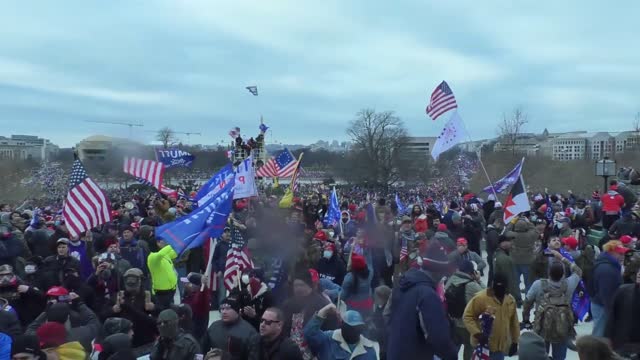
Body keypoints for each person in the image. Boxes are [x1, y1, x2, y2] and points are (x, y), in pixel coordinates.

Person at [386, 244, 458, 360]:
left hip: (395, 351)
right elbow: (437, 337)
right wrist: (452, 355)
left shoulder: (401, 285)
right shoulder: (427, 295)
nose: (444, 277)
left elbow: (387, 315)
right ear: (437, 272)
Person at [522, 258, 582, 360]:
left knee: (541, 356)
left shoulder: (538, 284)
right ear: (563, 274)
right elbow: (578, 271)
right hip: (562, 328)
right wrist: (563, 258)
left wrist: (526, 320)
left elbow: (527, 303)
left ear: (548, 273)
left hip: (541, 327)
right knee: (559, 357)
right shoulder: (569, 284)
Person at [463, 272, 520, 360]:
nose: (500, 289)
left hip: (500, 349)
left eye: (502, 287)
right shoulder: (480, 298)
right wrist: (477, 334)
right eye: (497, 286)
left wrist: (515, 341)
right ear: (493, 284)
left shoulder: (510, 300)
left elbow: (514, 322)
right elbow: (468, 316)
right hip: (481, 347)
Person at [281, 270, 335, 359]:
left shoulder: (322, 304)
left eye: (301, 285)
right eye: (296, 285)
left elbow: (330, 330)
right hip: (291, 352)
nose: (298, 288)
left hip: (314, 352)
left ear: (309, 285)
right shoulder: (288, 305)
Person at [304, 304, 379, 360]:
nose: (353, 331)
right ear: (342, 325)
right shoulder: (328, 339)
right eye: (349, 327)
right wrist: (323, 312)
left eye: (356, 327)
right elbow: (309, 335)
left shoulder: (368, 349)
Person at [105, 268, 158, 347]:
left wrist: (154, 308)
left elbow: (156, 323)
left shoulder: (149, 298)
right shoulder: (118, 296)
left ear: (141, 281)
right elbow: (102, 315)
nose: (130, 283)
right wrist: (112, 310)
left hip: (144, 341)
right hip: (123, 341)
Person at [444, 259, 484, 360]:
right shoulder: (471, 285)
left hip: (452, 322)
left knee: (453, 349)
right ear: (472, 272)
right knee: (469, 349)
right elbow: (487, 296)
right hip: (467, 325)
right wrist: (479, 280)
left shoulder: (451, 279)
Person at [202, 295, 260, 360]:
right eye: (222, 309)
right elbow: (202, 349)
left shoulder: (250, 332)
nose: (224, 312)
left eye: (228, 308)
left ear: (237, 311)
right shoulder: (214, 327)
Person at [591, 240, 629, 337]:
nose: (622, 256)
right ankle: (594, 352)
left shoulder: (610, 265)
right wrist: (612, 312)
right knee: (599, 336)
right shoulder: (607, 269)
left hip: (601, 304)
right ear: (611, 252)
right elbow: (606, 295)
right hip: (603, 307)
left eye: (623, 253)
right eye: (620, 253)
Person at [605, 268, 640, 357]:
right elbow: (612, 317)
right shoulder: (623, 291)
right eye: (639, 271)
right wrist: (607, 339)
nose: (639, 274)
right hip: (622, 345)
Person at [507, 217, 538, 296]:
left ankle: (518, 300)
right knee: (528, 282)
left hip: (515, 261)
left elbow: (506, 231)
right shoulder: (531, 235)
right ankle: (528, 299)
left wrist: (512, 222)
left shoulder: (513, 235)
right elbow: (536, 231)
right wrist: (528, 222)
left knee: (516, 282)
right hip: (528, 261)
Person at [147, 239, 178, 311]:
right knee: (162, 311)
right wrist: (174, 243)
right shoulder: (152, 257)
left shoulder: (165, 255)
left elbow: (176, 252)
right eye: (162, 240)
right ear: (157, 243)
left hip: (171, 290)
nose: (166, 241)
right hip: (161, 293)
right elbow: (160, 254)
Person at [493, 235, 519, 303]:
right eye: (509, 241)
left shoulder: (499, 254)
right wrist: (514, 295)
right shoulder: (504, 258)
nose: (511, 243)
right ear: (503, 243)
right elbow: (509, 278)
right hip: (506, 293)